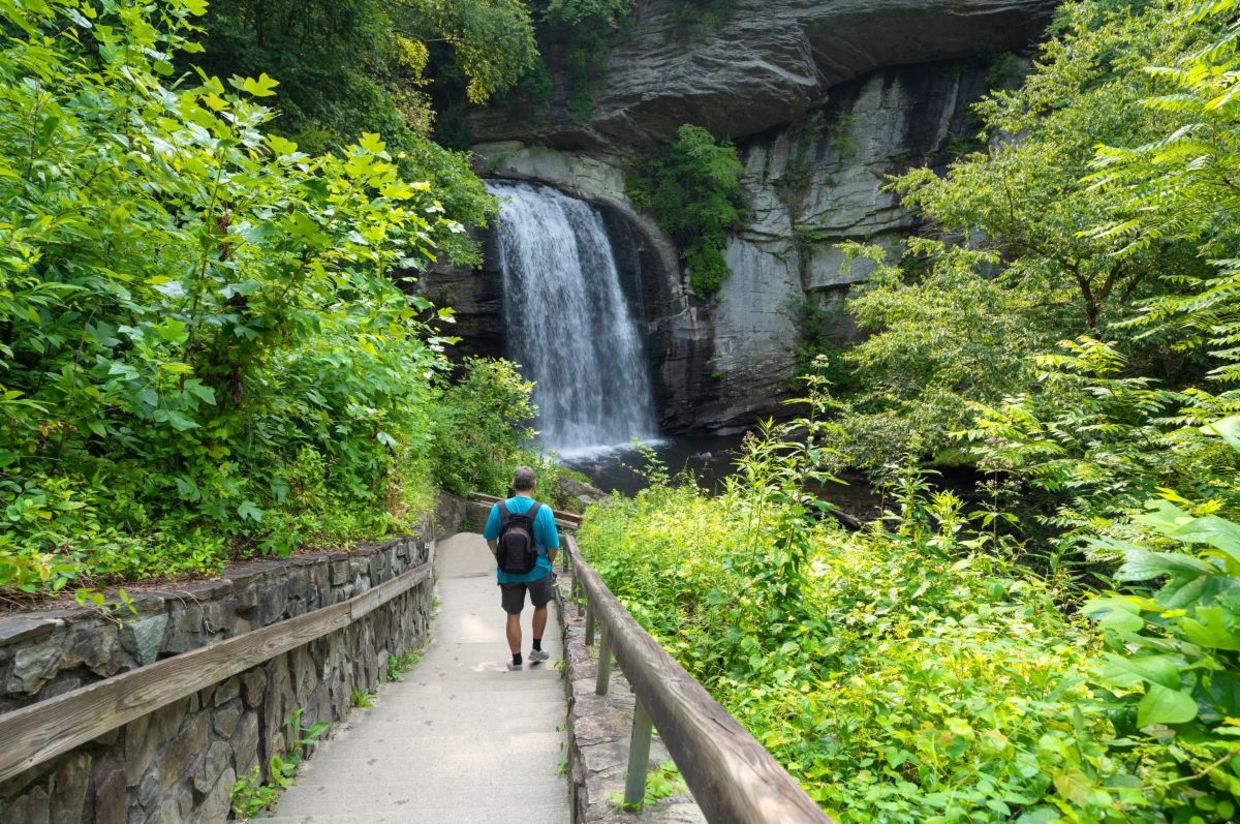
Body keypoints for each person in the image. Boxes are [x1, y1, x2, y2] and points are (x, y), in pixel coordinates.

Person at [483, 466, 560, 671]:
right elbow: (553, 546)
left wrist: (498, 556)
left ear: (513, 484)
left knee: (513, 614)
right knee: (541, 606)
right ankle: (536, 648)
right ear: (534, 485)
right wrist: (548, 563)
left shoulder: (498, 508)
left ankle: (516, 661)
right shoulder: (543, 510)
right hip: (538, 569)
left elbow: (490, 538)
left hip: (508, 571)